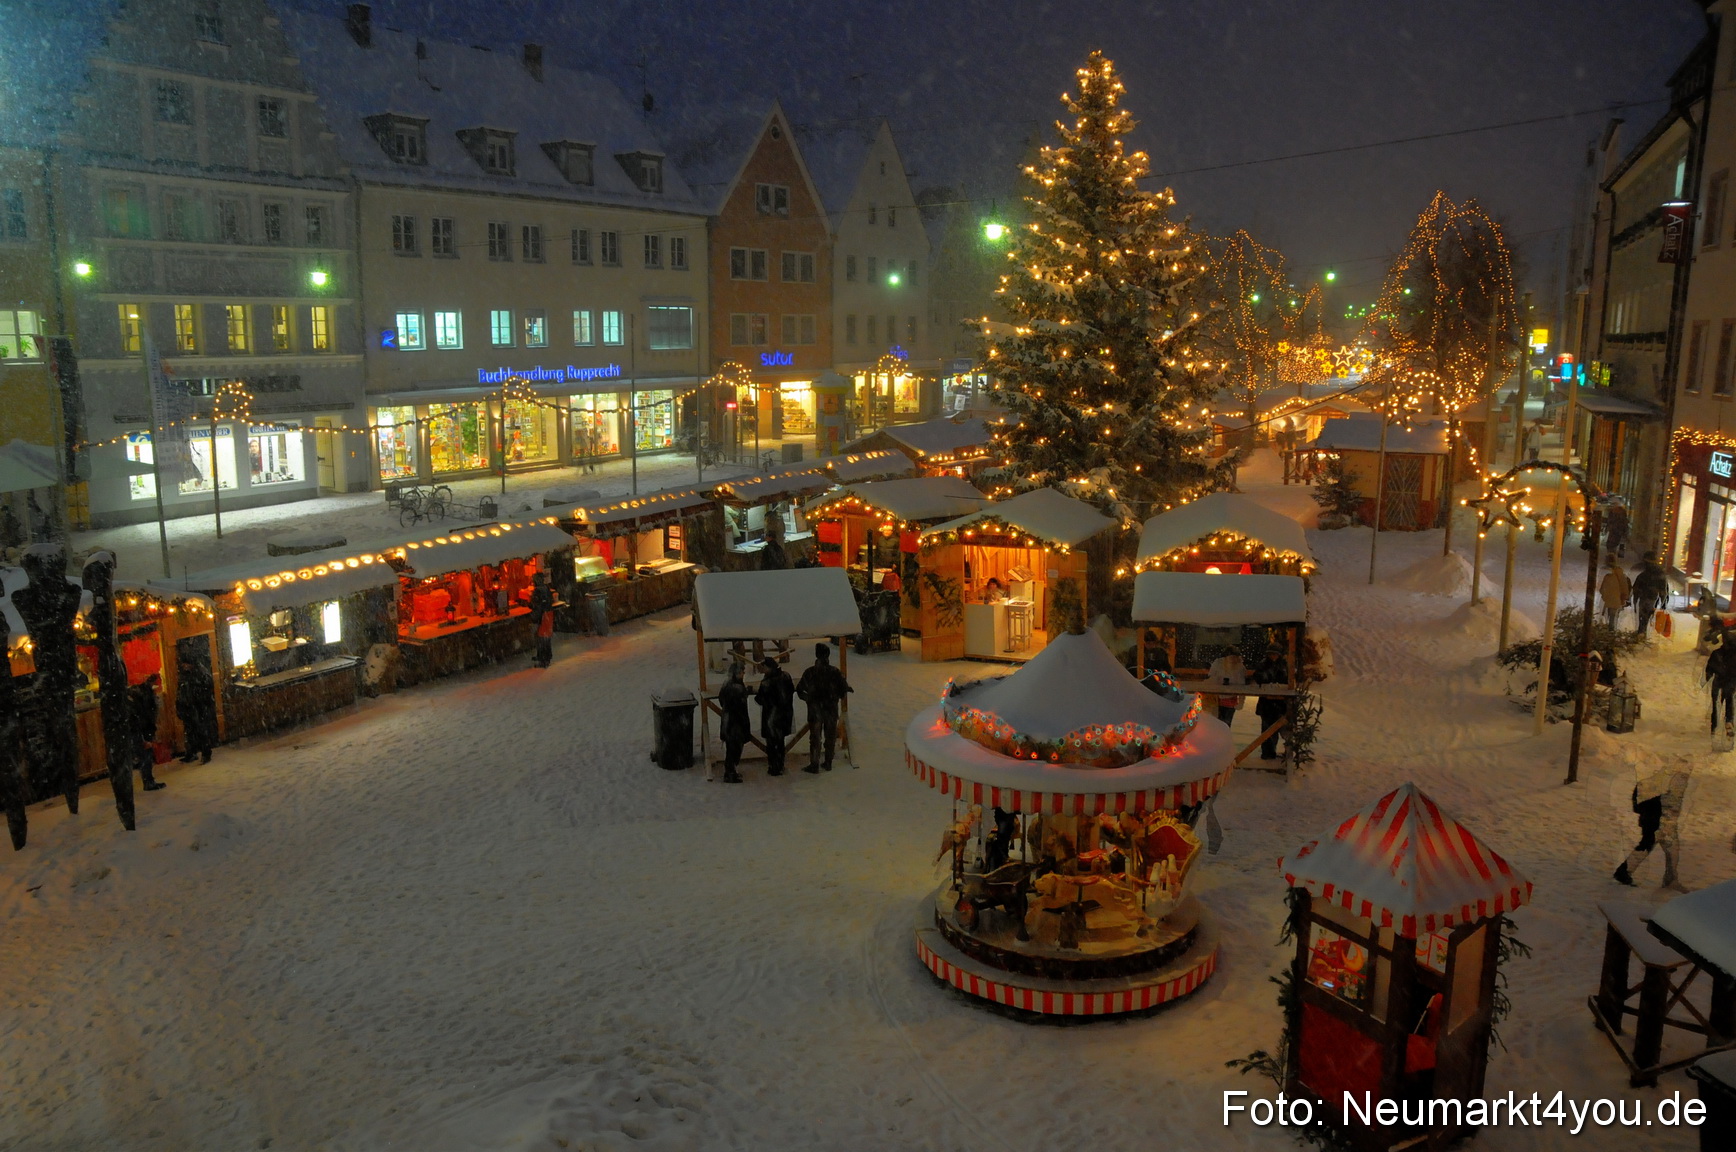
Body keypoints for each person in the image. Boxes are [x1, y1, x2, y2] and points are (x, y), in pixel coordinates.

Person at [1614, 760, 1692, 890]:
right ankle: (1624, 872)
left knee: (1663, 849)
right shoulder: (1667, 782)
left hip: (1659, 821)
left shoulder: (1662, 780)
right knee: (1652, 847)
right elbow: (1667, 803)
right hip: (1658, 822)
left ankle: (1669, 879)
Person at [795, 642, 852, 772]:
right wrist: (835, 696)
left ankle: (814, 764)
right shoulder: (835, 672)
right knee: (830, 737)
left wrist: (809, 699)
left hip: (815, 711)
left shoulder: (810, 672)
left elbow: (799, 690)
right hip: (831, 710)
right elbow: (843, 690)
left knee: (815, 738)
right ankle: (828, 762)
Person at [754, 656, 795, 776]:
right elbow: (791, 690)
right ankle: (780, 764)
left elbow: (760, 699)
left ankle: (773, 766)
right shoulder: (786, 676)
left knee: (771, 743)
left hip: (771, 717)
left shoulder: (766, 682)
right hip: (784, 715)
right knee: (780, 741)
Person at [175, 649, 218, 764]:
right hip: (191, 708)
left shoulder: (199, 674)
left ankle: (205, 753)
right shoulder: (189, 675)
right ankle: (192, 752)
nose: (184, 666)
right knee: (191, 732)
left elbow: (206, 691)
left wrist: (197, 701)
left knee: (200, 731)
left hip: (198, 708)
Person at [1251, 646, 1290, 761]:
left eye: (1275, 654)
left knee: (1284, 729)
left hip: (1282, 703)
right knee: (1267, 730)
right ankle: (1268, 754)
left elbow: (1288, 679)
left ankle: (1287, 753)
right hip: (1267, 703)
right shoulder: (1263, 664)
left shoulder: (1284, 665)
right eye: (1271, 654)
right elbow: (1258, 677)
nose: (1273, 656)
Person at [128, 674, 165, 792]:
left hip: (138, 728)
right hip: (142, 728)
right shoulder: (145, 695)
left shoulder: (137, 692)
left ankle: (147, 780)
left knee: (142, 754)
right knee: (145, 755)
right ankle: (148, 781)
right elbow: (146, 714)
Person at [718, 662, 751, 784]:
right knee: (734, 748)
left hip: (730, 721)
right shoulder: (735, 687)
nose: (743, 674)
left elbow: (722, 699)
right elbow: (738, 703)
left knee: (732, 747)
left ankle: (730, 771)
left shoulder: (728, 684)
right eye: (741, 672)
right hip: (735, 722)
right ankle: (730, 773)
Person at [1631, 552, 1669, 637]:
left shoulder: (1644, 573)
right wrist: (1663, 601)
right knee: (1646, 615)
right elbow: (1663, 588)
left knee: (1643, 615)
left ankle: (1641, 632)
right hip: (1653, 598)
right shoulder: (1659, 573)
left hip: (1646, 597)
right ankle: (1642, 631)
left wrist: (1635, 598)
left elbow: (1637, 586)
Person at [1206, 650, 1247, 728]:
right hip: (1218, 700)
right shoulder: (1219, 665)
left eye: (1234, 657)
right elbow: (1211, 679)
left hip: (1228, 700)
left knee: (1222, 724)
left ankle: (1221, 737)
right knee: (1219, 724)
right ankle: (1220, 737)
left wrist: (1241, 701)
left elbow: (1242, 687)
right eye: (1230, 657)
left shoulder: (1239, 668)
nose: (1231, 660)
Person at [1598, 554, 1632, 629]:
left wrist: (1603, 592)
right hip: (1616, 599)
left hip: (1605, 598)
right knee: (1612, 618)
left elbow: (1600, 585)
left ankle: (1604, 631)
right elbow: (1624, 585)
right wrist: (1625, 596)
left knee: (1603, 616)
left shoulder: (1604, 570)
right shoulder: (1619, 572)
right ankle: (1611, 632)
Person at [529, 572, 555, 668]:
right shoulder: (546, 589)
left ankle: (543, 659)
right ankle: (546, 656)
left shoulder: (537, 592)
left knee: (541, 638)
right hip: (548, 614)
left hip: (541, 616)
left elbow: (536, 606)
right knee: (546, 638)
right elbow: (549, 601)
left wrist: (534, 617)